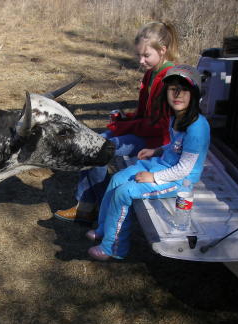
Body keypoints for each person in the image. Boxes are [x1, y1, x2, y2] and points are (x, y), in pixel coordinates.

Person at [54, 22, 180, 224]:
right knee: (91, 144)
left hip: (155, 142)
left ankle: (103, 205)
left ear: (163, 51)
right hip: (144, 133)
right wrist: (125, 118)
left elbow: (159, 127)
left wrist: (124, 126)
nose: (141, 61)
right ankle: (86, 206)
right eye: (139, 55)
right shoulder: (151, 74)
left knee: (97, 150)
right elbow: (143, 114)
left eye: (146, 56)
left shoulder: (170, 80)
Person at [86, 64, 210, 261]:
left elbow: (184, 169)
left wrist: (153, 177)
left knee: (124, 192)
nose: (178, 94)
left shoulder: (197, 127)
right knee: (118, 178)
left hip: (179, 180)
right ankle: (104, 228)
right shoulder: (175, 116)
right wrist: (157, 150)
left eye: (184, 89)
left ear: (195, 94)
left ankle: (113, 247)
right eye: (172, 89)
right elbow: (174, 146)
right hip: (162, 163)